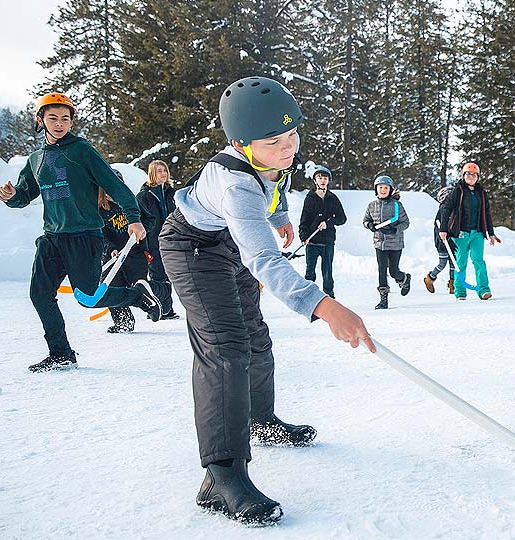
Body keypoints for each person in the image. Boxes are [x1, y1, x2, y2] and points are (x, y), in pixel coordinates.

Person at [157, 76, 373, 525]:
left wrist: (279, 217)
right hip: (192, 249)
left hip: (226, 243)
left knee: (255, 336)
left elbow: (272, 186)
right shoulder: (234, 184)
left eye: (293, 135)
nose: (288, 147)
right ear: (241, 143)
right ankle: (221, 476)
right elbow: (264, 260)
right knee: (225, 350)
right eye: (275, 141)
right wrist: (324, 306)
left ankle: (262, 420)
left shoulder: (271, 160)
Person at [0, 92, 164, 373]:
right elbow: (24, 194)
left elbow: (114, 185)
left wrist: (133, 218)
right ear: (41, 120)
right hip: (51, 238)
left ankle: (136, 296)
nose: (60, 123)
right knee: (39, 295)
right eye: (53, 118)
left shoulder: (81, 151)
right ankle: (61, 353)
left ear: (72, 121)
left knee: (87, 297)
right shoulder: (36, 159)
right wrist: (11, 196)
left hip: (85, 236)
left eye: (65, 118)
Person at [98, 170, 152, 334]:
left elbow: (149, 219)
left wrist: (141, 233)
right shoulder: (98, 208)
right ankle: (123, 322)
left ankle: (155, 306)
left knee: (140, 285)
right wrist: (111, 249)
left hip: (134, 253)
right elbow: (99, 234)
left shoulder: (131, 202)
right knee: (111, 287)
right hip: (112, 257)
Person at [438, 162, 500, 301]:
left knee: (479, 261)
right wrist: (443, 229)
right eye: (468, 174)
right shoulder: (458, 191)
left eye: (473, 174)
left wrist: (490, 232)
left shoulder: (482, 193)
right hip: (461, 233)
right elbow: (446, 209)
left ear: (478, 177)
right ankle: (460, 292)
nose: (470, 177)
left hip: (477, 232)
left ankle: (484, 290)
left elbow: (487, 213)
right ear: (463, 175)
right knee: (461, 262)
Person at [136, 159, 180, 318]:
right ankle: (162, 309)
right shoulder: (144, 195)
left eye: (165, 170)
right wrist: (144, 246)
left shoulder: (172, 193)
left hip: (172, 240)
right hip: (153, 242)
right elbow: (141, 222)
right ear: (152, 174)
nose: (163, 173)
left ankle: (166, 309)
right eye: (159, 171)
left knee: (169, 275)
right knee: (158, 275)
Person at [362, 175, 411, 309]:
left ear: (390, 190)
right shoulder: (372, 206)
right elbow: (365, 220)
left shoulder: (397, 205)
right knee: (382, 270)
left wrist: (395, 230)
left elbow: (406, 222)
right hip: (379, 243)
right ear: (376, 189)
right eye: (380, 187)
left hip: (395, 243)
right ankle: (383, 299)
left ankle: (404, 278)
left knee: (393, 271)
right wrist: (369, 225)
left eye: (386, 188)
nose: (383, 190)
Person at [298, 165, 347, 298]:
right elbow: (304, 220)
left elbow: (342, 218)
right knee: (310, 272)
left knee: (327, 272)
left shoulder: (333, 199)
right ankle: (308, 297)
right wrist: (303, 237)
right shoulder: (310, 198)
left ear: (328, 180)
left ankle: (329, 296)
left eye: (325, 178)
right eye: (319, 178)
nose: (322, 180)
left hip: (327, 242)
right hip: (312, 242)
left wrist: (328, 223)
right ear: (315, 180)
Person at [423, 186, 457, 294]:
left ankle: (453, 284)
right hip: (442, 242)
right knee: (442, 263)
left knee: (454, 264)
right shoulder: (443, 209)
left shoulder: (455, 209)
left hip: (453, 241)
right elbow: (440, 225)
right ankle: (430, 278)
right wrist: (444, 235)